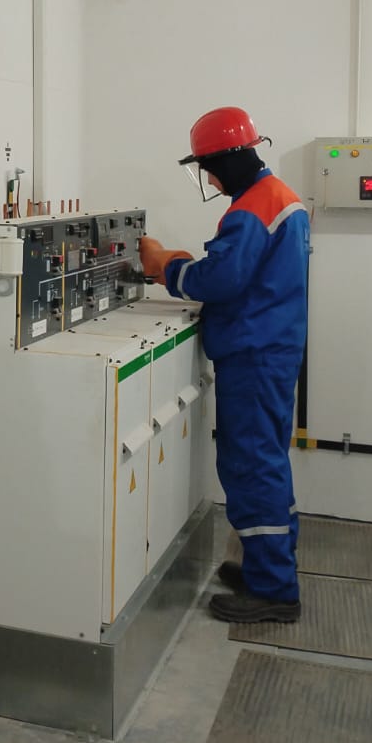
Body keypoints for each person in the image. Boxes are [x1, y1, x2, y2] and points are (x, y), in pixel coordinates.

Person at [138, 106, 309, 624]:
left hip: (254, 357)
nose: (210, 180)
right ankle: (266, 568)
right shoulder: (279, 197)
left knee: (252, 465)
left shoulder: (252, 208)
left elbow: (220, 281)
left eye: (209, 168)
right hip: (271, 352)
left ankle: (275, 590)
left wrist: (166, 264)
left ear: (230, 159)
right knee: (267, 462)